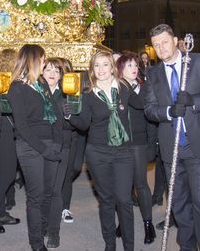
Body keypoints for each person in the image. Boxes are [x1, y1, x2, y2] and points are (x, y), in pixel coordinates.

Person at [142, 24, 200, 251]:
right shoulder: (153, 73)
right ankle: (187, 247)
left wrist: (194, 101)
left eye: (164, 42)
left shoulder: (198, 62)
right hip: (171, 147)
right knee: (178, 204)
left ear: (176, 40)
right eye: (156, 45)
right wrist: (169, 111)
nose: (160, 48)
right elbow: (149, 109)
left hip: (197, 143)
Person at [64, 50, 135, 251]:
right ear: (92, 70)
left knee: (124, 199)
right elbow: (84, 124)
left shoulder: (124, 88)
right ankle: (110, 245)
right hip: (98, 152)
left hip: (123, 152)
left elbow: (140, 110)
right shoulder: (88, 94)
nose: (101, 69)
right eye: (97, 66)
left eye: (105, 64)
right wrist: (70, 116)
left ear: (112, 67)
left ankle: (129, 246)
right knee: (106, 200)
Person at [7, 44, 63, 251]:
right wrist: (44, 149)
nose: (45, 63)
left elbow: (56, 116)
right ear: (33, 60)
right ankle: (36, 243)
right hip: (30, 146)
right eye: (43, 59)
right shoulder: (16, 88)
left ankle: (44, 228)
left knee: (48, 193)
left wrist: (58, 143)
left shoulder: (42, 85)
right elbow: (21, 126)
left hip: (50, 144)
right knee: (36, 196)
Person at [116, 53, 157, 245]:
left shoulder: (144, 87)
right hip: (121, 143)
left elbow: (150, 118)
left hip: (139, 142)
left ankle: (148, 224)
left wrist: (152, 143)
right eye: (128, 65)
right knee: (123, 186)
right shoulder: (116, 88)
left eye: (135, 65)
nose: (133, 68)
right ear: (120, 69)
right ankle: (123, 222)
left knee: (140, 183)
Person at [0, 48, 21, 235]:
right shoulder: (3, 81)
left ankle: (0, 212)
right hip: (4, 129)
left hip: (6, 129)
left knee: (5, 173)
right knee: (6, 174)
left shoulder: (4, 79)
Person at [42, 57, 72, 249]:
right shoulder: (36, 92)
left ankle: (54, 231)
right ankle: (43, 223)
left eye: (56, 71)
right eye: (48, 70)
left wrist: (70, 115)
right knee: (43, 190)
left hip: (62, 146)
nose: (52, 74)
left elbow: (80, 124)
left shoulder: (68, 94)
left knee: (55, 190)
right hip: (40, 147)